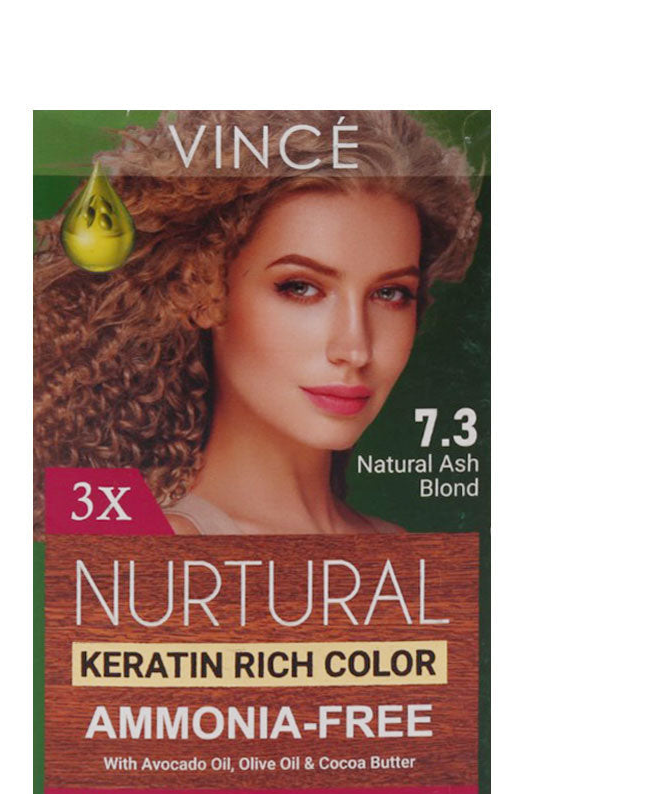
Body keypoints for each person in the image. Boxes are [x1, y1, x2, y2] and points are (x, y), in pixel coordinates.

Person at [34, 110, 480, 537]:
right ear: (200, 289)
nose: (355, 349)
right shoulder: (156, 547)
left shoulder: (400, 550)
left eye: (391, 293)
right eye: (301, 287)